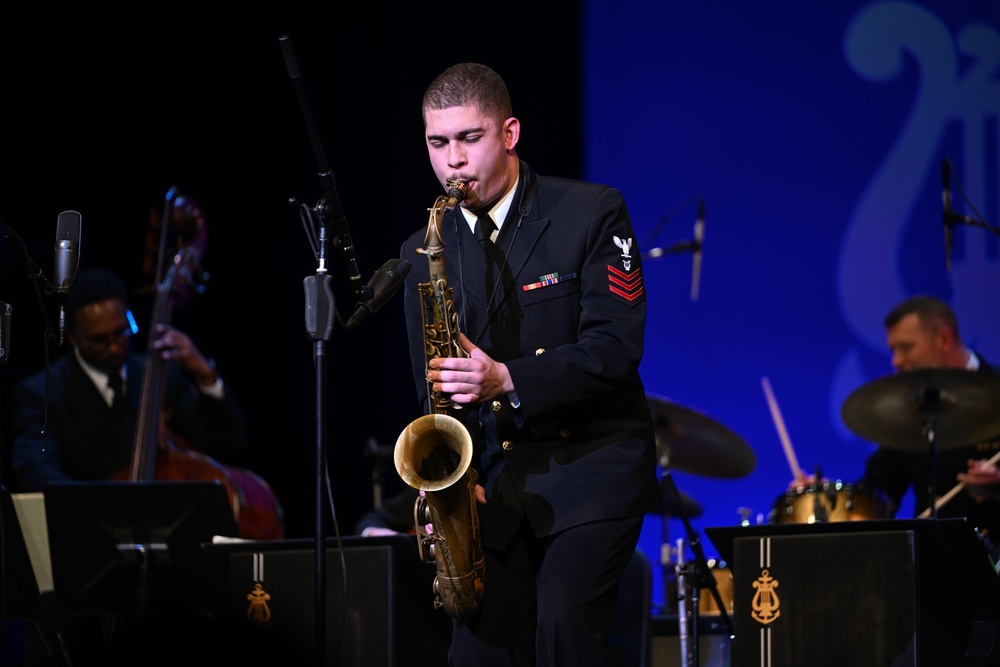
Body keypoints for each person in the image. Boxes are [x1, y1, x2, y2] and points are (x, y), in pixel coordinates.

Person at [398, 63, 658, 666]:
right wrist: (454, 493)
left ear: (510, 133)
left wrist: (508, 379)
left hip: (593, 465)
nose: (453, 161)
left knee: (566, 622)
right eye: (439, 143)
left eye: (470, 138)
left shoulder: (593, 212)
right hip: (495, 484)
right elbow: (431, 393)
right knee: (474, 654)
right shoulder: (420, 249)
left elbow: (616, 350)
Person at [11, 267, 248, 492]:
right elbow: (36, 470)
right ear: (73, 336)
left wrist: (206, 375)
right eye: (99, 340)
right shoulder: (42, 393)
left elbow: (226, 441)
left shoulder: (158, 375)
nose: (114, 348)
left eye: (121, 333)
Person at [855, 295, 1000, 549]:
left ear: (943, 339)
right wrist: (828, 498)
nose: (895, 361)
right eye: (893, 350)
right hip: (931, 560)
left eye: (906, 347)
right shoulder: (908, 408)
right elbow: (880, 487)